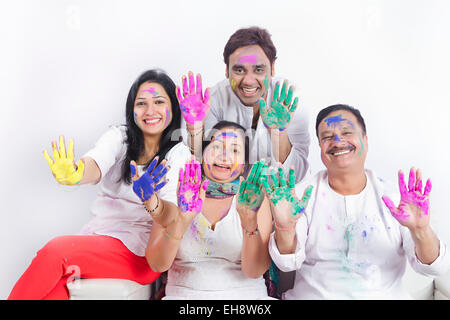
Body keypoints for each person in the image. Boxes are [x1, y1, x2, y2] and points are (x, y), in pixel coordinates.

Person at [8, 69, 192, 299]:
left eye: (159, 102)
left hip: (139, 255)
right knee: (56, 289)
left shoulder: (179, 155)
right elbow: (96, 164)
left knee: (55, 252)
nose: (150, 111)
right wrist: (76, 173)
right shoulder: (120, 137)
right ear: (131, 109)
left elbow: (171, 218)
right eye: (141, 103)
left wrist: (151, 199)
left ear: (173, 108)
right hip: (98, 239)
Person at [266, 104, 450, 299]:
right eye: (327, 137)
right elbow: (287, 263)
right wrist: (284, 226)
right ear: (320, 147)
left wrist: (420, 229)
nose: (337, 141)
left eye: (346, 132)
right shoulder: (302, 196)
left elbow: (434, 267)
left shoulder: (396, 201)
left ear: (366, 140)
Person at [146, 121, 274, 299]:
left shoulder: (254, 200)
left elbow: (254, 271)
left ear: (244, 165)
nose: (224, 156)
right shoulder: (180, 192)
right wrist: (182, 221)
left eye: (235, 150)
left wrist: (249, 220)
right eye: (216, 147)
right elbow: (157, 265)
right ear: (201, 154)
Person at [179, 26, 310, 183]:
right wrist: (194, 128)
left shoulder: (289, 100)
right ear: (227, 70)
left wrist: (278, 132)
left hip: (280, 197)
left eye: (259, 70)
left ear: (272, 69)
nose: (248, 81)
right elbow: (202, 166)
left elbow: (296, 174)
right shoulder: (213, 100)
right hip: (227, 198)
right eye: (239, 70)